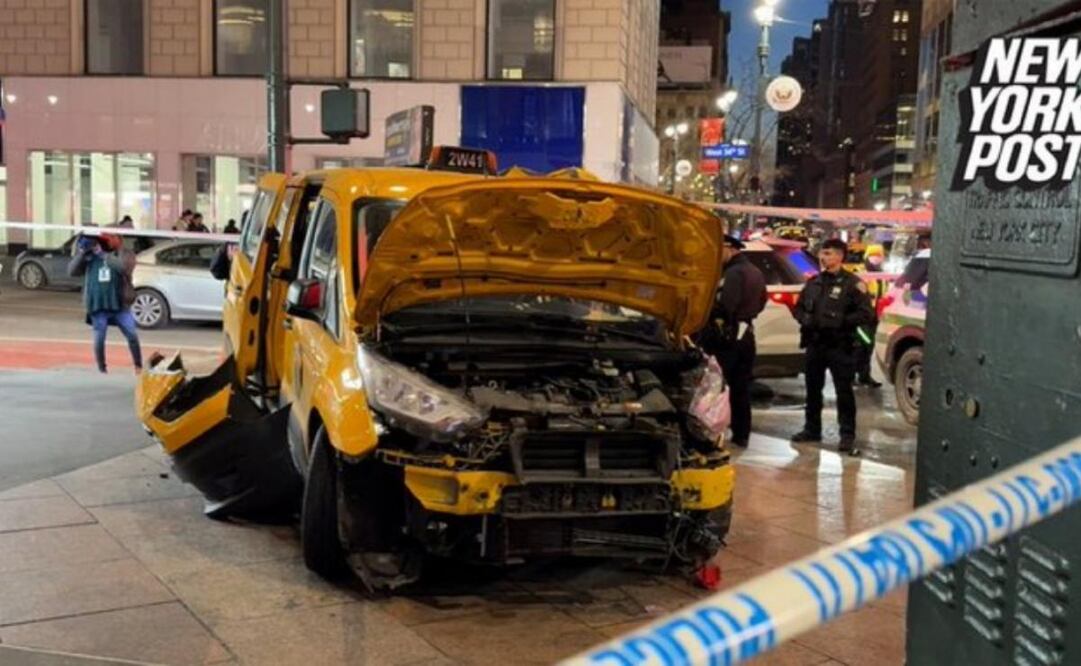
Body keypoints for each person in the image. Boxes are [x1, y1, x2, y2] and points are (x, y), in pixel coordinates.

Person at [790, 238, 874, 453]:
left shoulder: (852, 284)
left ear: (839, 256)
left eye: (827, 253)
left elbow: (866, 313)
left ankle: (847, 435)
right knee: (812, 390)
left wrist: (840, 321)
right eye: (822, 253)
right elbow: (798, 308)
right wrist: (804, 319)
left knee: (843, 392)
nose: (822, 257)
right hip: (815, 344)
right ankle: (812, 429)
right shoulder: (814, 282)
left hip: (840, 345)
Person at [698, 235, 768, 448]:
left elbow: (726, 305)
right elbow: (762, 300)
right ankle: (741, 432)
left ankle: (714, 429)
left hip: (727, 337)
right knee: (741, 386)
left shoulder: (733, 273)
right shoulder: (754, 271)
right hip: (745, 334)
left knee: (718, 385)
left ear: (731, 249)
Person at [68, 234, 143, 374]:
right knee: (99, 338)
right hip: (97, 304)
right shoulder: (88, 257)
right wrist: (82, 254)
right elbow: (71, 271)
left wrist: (102, 254)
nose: (106, 241)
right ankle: (102, 368)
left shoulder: (121, 254)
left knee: (132, 335)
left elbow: (122, 268)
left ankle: (138, 366)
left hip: (119, 304)